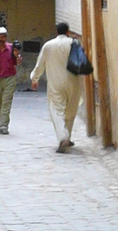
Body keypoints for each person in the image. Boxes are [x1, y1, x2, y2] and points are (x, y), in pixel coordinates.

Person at [30, 21, 83, 153]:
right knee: (70, 111)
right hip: (73, 81)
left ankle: (63, 136)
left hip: (56, 83)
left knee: (57, 111)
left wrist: (34, 78)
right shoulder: (74, 43)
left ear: (56, 32)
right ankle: (67, 137)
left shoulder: (48, 46)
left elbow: (40, 65)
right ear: (67, 32)